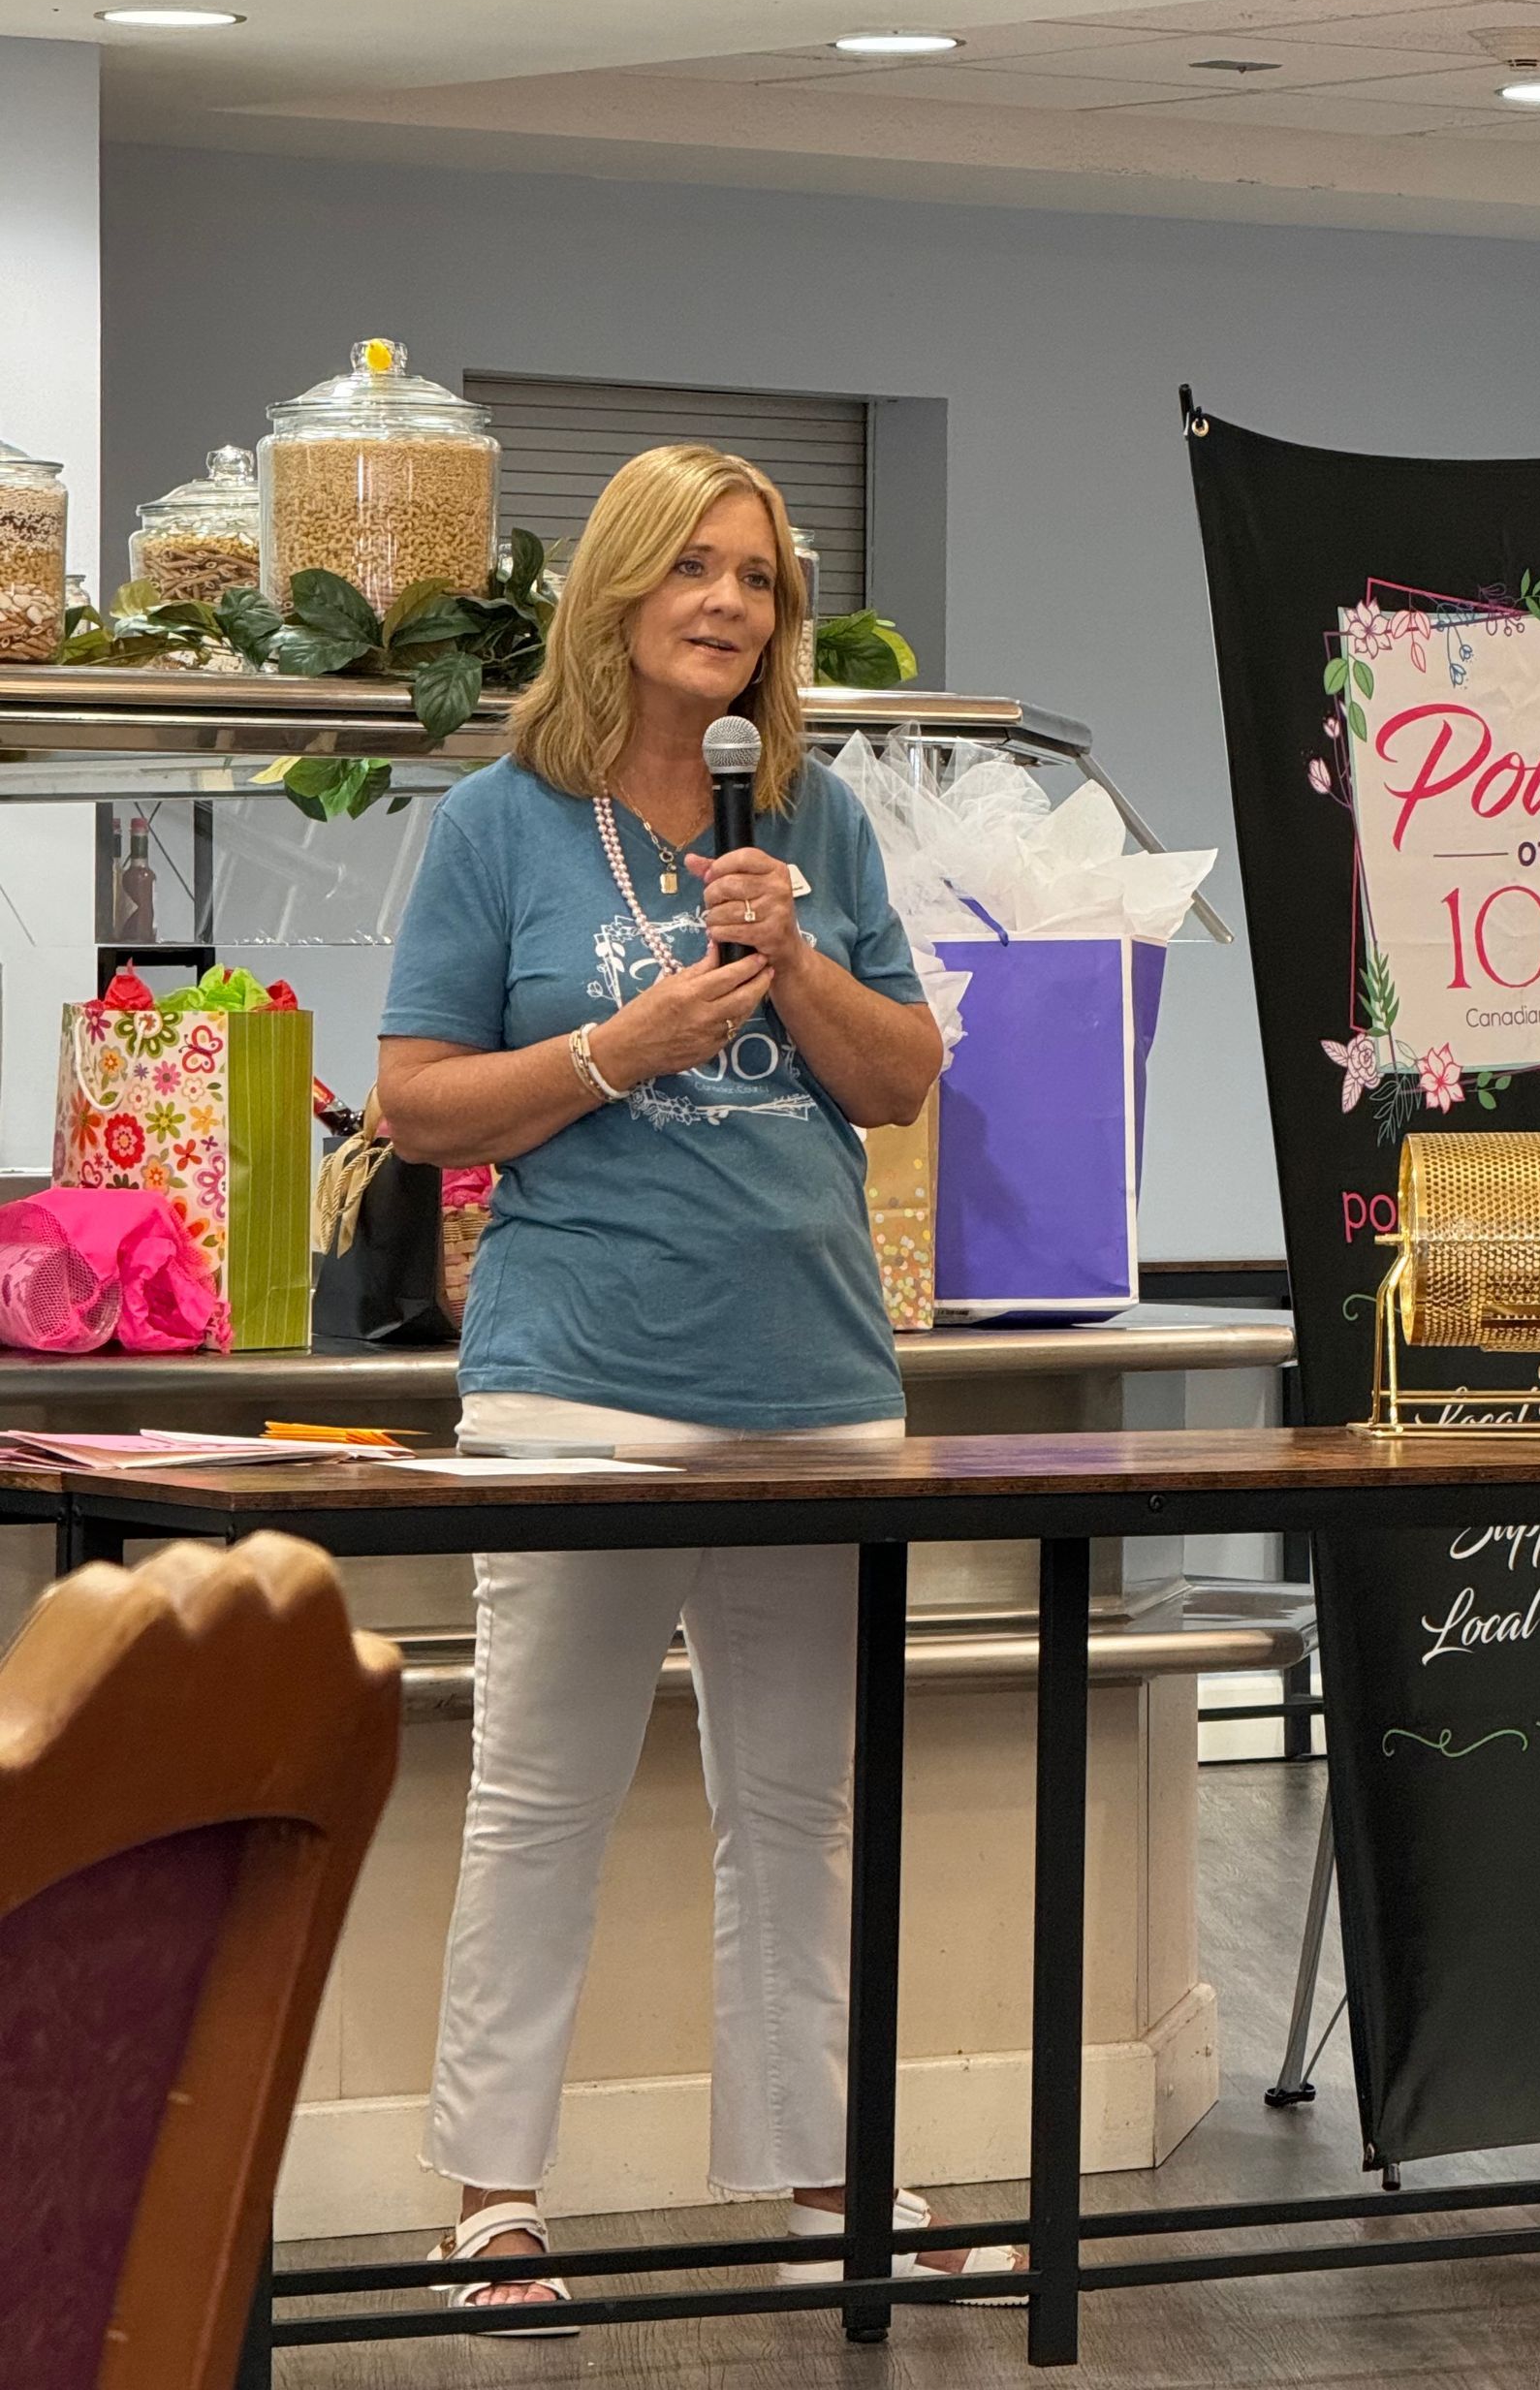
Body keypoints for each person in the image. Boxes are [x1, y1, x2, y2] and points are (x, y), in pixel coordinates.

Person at [377, 441, 1023, 2326]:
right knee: (542, 1794)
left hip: (814, 1381)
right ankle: (491, 2199)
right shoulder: (501, 823)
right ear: (619, 593)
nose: (731, 601)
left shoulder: (811, 822)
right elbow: (417, 1099)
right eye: (695, 568)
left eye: (759, 577)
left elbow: (902, 1077)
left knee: (802, 1803)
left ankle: (832, 2182)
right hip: (578, 1384)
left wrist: (793, 958)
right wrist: (615, 1041)